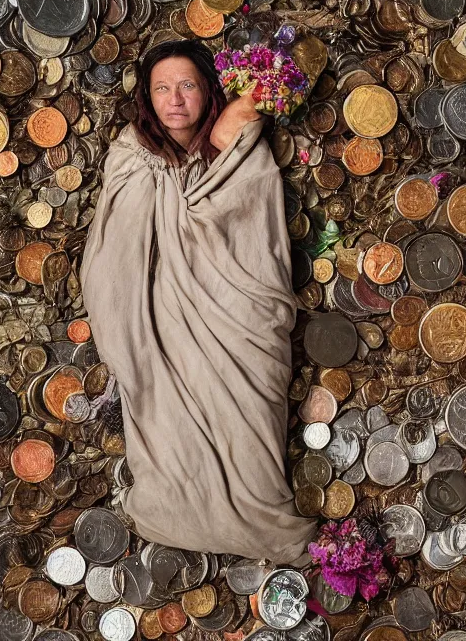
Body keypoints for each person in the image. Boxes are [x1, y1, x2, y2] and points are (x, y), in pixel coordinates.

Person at [80, 39, 318, 566]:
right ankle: (172, 513)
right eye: (162, 88)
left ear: (208, 89)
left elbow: (260, 240)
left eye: (187, 85)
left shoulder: (241, 150)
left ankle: (262, 520)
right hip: (159, 324)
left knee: (249, 431)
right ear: (147, 98)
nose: (175, 100)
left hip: (237, 321)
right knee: (169, 431)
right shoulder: (130, 157)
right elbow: (109, 259)